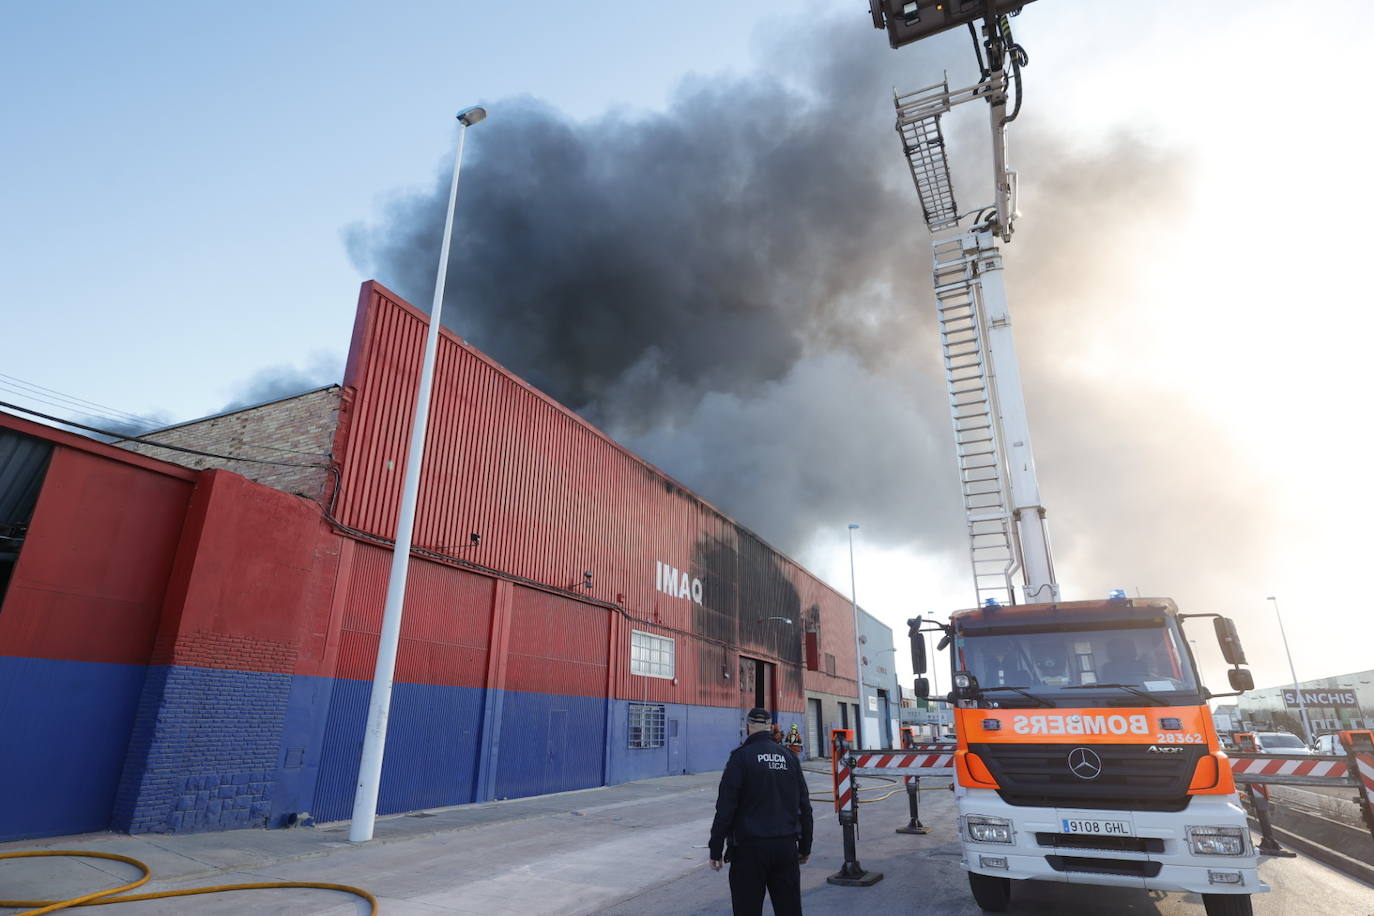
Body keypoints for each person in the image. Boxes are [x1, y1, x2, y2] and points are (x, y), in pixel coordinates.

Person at [709, 707, 814, 916]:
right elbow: (804, 806)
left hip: (749, 850)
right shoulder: (789, 758)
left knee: (747, 909)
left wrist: (715, 848)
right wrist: (805, 846)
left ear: (748, 727)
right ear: (770, 727)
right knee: (789, 910)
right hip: (785, 847)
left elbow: (726, 807)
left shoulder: (740, 758)